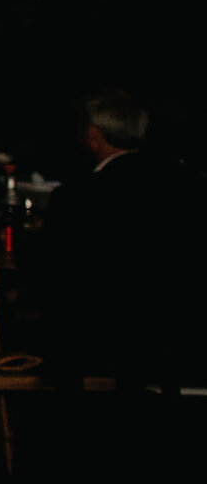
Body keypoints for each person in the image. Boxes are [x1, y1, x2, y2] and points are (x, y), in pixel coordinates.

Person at [33, 89, 188, 388]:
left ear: (93, 135)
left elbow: (49, 270)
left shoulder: (80, 196)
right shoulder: (186, 187)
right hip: (180, 339)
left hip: (100, 347)